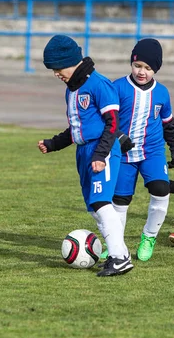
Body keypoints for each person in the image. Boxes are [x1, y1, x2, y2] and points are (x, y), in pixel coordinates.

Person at [37, 35, 134, 277]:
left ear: (71, 61)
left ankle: (119, 258)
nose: (56, 74)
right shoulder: (72, 90)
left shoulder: (99, 84)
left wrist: (101, 155)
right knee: (93, 207)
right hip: (84, 152)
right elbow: (78, 128)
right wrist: (54, 144)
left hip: (102, 150)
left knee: (102, 203)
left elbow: (112, 124)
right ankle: (119, 252)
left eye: (58, 68)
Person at [109, 38, 174, 262]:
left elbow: (168, 122)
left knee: (161, 189)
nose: (142, 72)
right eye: (137, 66)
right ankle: (116, 244)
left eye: (148, 68)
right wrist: (118, 136)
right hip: (123, 155)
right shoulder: (117, 87)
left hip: (152, 152)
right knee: (120, 201)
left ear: (156, 69)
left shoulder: (162, 93)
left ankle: (148, 236)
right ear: (131, 64)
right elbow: (105, 120)